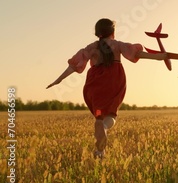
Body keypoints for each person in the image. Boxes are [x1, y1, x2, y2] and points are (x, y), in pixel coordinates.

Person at [47, 18, 170, 158]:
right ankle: (104, 128)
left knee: (99, 113)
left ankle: (100, 151)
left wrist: (58, 80)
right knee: (111, 113)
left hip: (95, 84)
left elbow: (73, 66)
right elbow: (136, 54)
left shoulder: (90, 48)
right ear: (112, 32)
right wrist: (158, 57)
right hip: (113, 81)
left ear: (97, 32)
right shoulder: (117, 45)